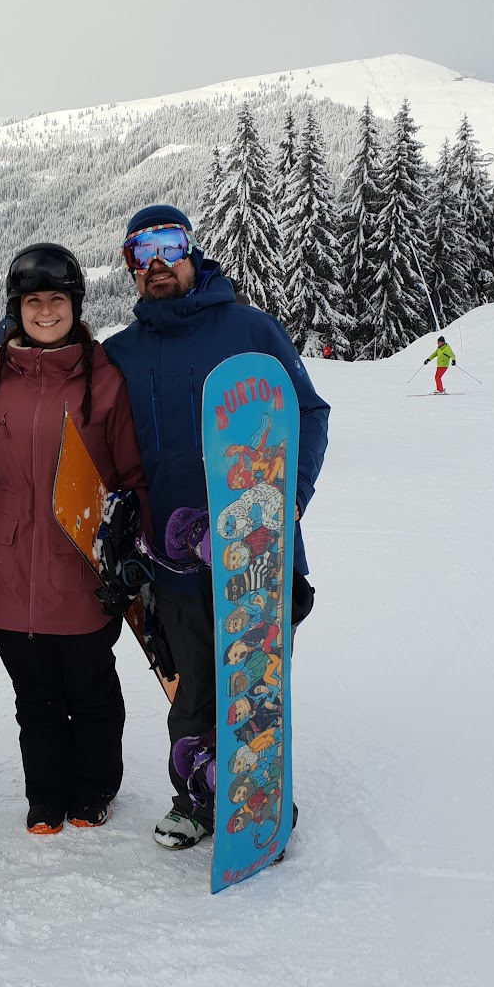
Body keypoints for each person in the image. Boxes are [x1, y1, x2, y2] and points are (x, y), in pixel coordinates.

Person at [103, 205, 330, 852]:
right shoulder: (120, 353)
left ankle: (260, 799)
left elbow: (307, 414)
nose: (157, 263)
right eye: (141, 252)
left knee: (254, 678)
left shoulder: (250, 330)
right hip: (170, 556)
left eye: (168, 246)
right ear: (131, 266)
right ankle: (197, 800)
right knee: (193, 686)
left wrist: (290, 499)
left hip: (255, 548)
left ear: (191, 252)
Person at [0, 243, 149, 835]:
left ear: (75, 304)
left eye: (57, 299)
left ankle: (95, 787)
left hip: (80, 560)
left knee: (90, 686)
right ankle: (46, 794)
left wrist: (131, 552)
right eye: (33, 301)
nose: (45, 311)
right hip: (7, 563)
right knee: (35, 693)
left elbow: (129, 475)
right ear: (16, 309)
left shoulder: (103, 378)